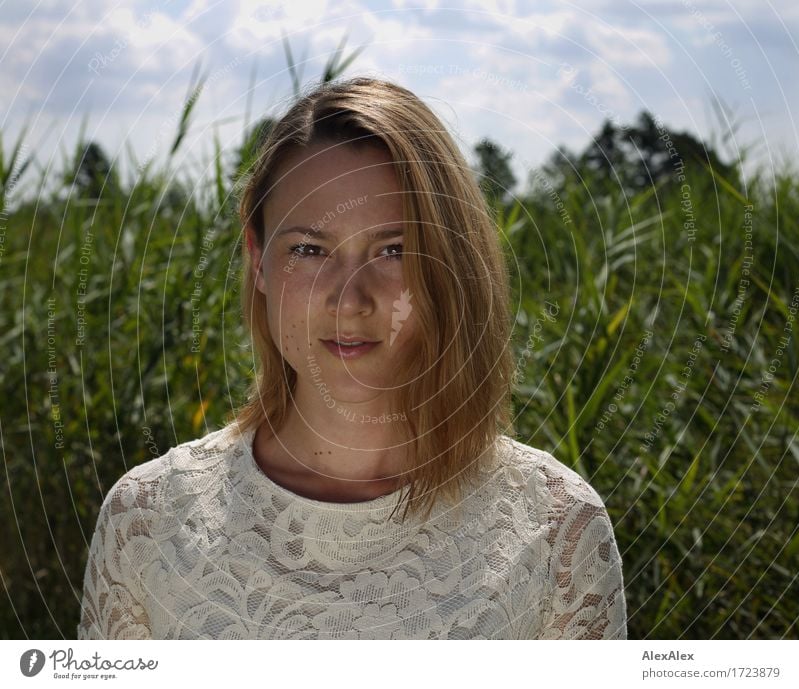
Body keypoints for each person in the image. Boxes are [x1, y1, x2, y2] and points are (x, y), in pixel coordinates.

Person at [77, 76, 627, 640]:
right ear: (258, 259)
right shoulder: (147, 520)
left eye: (393, 249)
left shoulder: (556, 528)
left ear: (447, 263)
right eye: (309, 250)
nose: (349, 299)